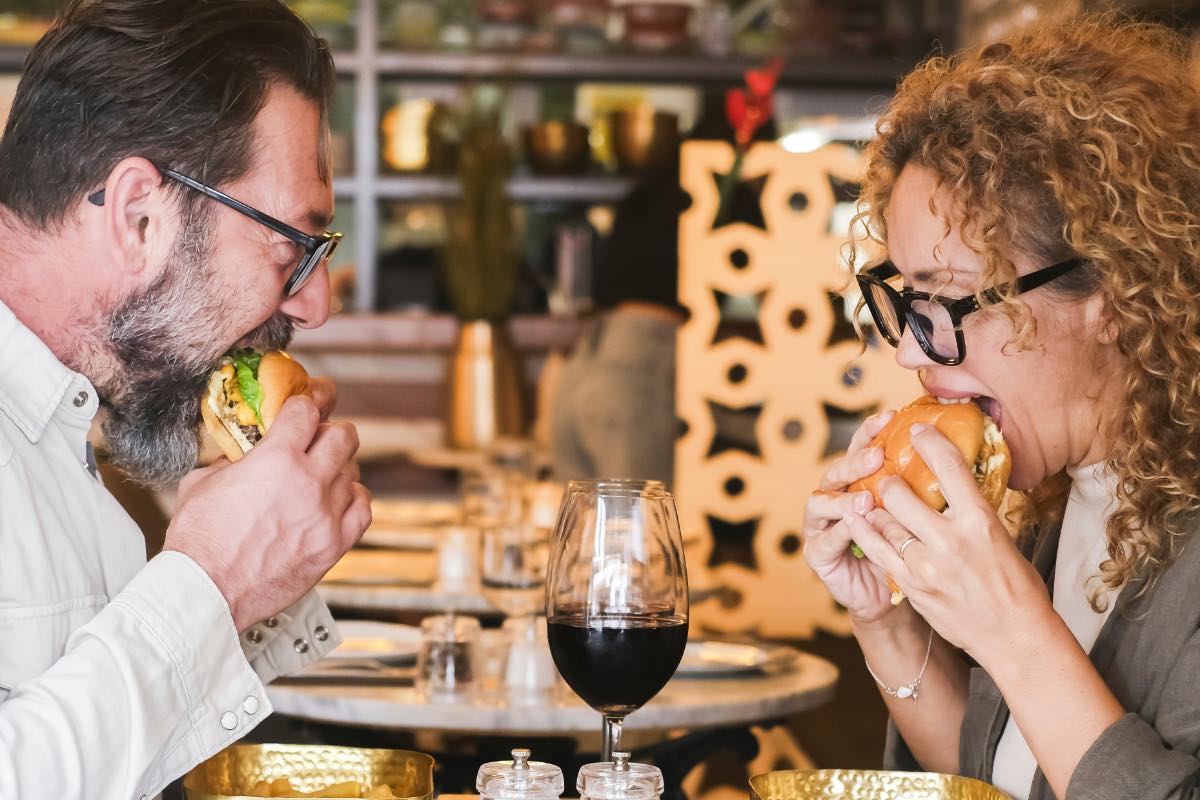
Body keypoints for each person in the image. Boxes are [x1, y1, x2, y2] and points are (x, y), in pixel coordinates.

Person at [803, 16, 1200, 800]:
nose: (910, 354)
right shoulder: (1064, 496)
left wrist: (1012, 630)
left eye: (950, 302)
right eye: (905, 304)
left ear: (1115, 294)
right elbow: (999, 776)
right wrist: (885, 619)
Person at [0, 1, 371, 798]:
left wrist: (255, 575)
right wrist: (213, 580)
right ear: (139, 215)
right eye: (292, 245)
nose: (316, 305)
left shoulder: (70, 420)